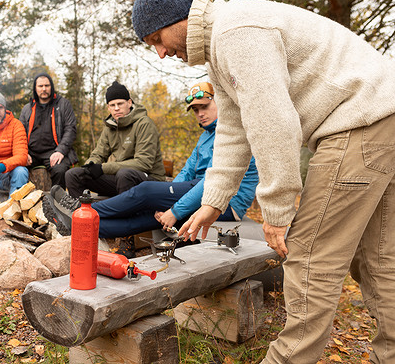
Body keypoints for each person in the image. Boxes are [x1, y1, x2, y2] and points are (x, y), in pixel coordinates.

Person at [132, 0, 395, 363]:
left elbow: (273, 123)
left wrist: (276, 212)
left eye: (158, 38)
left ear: (180, 17)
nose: (160, 52)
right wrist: (212, 201)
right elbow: (234, 129)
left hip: (359, 124)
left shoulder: (237, 33)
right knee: (377, 257)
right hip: (383, 117)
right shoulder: (222, 45)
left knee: (308, 256)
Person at [45, 82, 258, 257]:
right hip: (202, 192)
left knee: (145, 191)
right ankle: (82, 226)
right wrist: (167, 200)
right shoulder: (206, 137)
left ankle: (81, 213)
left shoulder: (233, 134)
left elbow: (214, 183)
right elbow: (187, 171)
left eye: (204, 107)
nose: (200, 114)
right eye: (195, 110)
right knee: (140, 219)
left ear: (220, 103)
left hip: (226, 202)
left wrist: (175, 210)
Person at [64, 81, 166, 202]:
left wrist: (103, 168)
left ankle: (124, 218)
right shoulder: (110, 126)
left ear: (129, 102)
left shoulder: (144, 124)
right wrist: (90, 166)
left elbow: (144, 163)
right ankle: (79, 216)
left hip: (150, 180)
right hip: (120, 180)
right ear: (108, 107)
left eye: (120, 104)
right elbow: (98, 154)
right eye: (112, 105)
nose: (116, 108)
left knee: (124, 174)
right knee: (73, 174)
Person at [19, 73, 77, 188]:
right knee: (18, 170)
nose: (44, 89)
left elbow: (71, 129)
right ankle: (22, 203)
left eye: (47, 85)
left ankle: (57, 203)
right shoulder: (27, 109)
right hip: (31, 153)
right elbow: (19, 134)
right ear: (35, 89)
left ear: (52, 87)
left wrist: (60, 151)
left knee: (60, 171)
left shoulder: (63, 104)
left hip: (54, 151)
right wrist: (23, 152)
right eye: (40, 86)